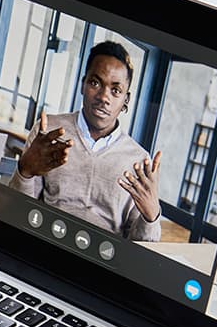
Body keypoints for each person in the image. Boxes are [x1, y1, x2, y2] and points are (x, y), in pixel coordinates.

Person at [9, 41, 163, 242]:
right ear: (83, 84)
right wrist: (25, 171)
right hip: (44, 242)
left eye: (116, 90)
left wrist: (151, 216)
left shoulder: (138, 160)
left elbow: (139, 249)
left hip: (103, 260)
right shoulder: (48, 132)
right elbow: (18, 211)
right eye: (95, 83)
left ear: (126, 100)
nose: (103, 97)